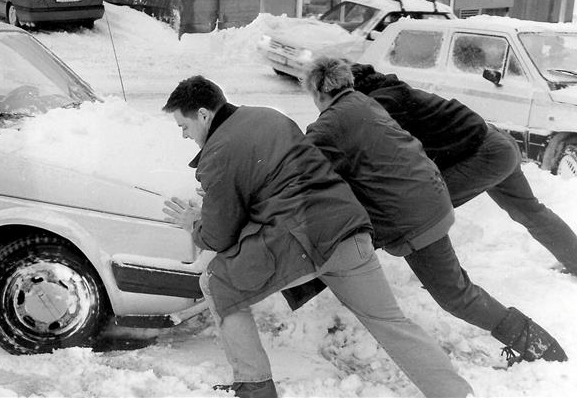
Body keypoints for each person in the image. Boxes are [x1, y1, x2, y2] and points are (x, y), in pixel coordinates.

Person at [161, 75, 473, 398]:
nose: (184, 135)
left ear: (203, 114)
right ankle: (456, 393)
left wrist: (195, 222)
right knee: (391, 322)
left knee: (215, 283)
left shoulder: (217, 153)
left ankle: (254, 387)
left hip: (300, 243)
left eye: (184, 126)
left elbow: (218, 236)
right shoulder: (269, 115)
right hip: (349, 231)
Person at [301, 57, 568, 367]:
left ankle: (539, 346)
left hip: (412, 218)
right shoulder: (367, 102)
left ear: (319, 92)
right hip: (432, 197)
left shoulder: (333, 121)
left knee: (455, 295)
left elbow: (301, 164)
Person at [350, 62, 577, 277]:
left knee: (427, 209)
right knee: (530, 210)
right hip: (498, 143)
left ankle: (445, 280)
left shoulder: (379, 104)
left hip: (485, 154)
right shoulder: (391, 91)